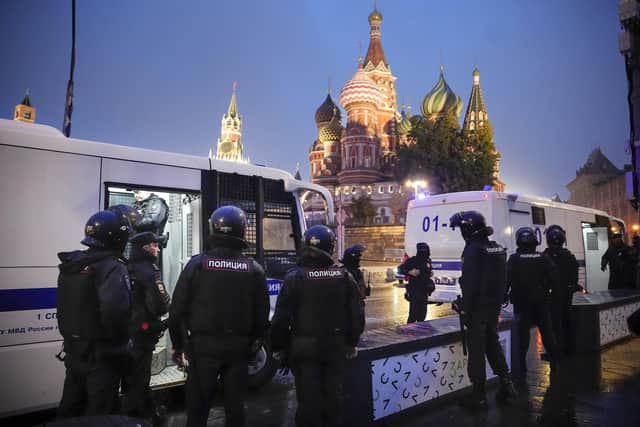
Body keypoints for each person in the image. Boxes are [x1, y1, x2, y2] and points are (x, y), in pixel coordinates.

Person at [169, 205, 270, 427]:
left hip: (202, 348)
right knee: (235, 408)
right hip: (238, 349)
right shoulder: (254, 269)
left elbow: (176, 311)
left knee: (198, 409)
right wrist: (252, 345)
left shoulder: (197, 264)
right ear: (242, 231)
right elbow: (262, 318)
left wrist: (178, 345)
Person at [270, 225, 364, 427]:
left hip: (304, 350)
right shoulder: (344, 277)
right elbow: (356, 315)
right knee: (333, 398)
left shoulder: (294, 278)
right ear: (330, 248)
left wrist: (278, 347)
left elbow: (280, 319)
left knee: (307, 401)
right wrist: (352, 343)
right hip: (335, 348)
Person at [56, 210, 133, 418]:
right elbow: (115, 311)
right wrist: (121, 346)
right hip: (103, 356)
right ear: (118, 238)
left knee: (71, 408)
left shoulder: (72, 264)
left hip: (74, 350)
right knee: (100, 413)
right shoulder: (113, 267)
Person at [449, 211, 517, 410]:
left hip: (477, 309)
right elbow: (501, 280)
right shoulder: (495, 248)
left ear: (468, 229)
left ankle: (478, 396)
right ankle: (507, 385)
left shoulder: (472, 250)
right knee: (492, 344)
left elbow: (471, 284)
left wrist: (463, 306)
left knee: (477, 350)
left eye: (462, 229)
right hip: (492, 306)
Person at [121, 232, 171, 424]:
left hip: (128, 330)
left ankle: (137, 410)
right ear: (145, 248)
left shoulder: (126, 266)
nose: (158, 249)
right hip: (144, 329)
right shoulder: (150, 270)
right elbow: (160, 304)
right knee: (141, 375)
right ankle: (141, 416)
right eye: (155, 245)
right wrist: (168, 302)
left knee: (130, 375)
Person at [506, 226, 560, 376]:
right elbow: (554, 278)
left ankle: (521, 366)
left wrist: (503, 294)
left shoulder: (514, 259)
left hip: (522, 303)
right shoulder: (543, 258)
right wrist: (546, 290)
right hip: (541, 302)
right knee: (547, 333)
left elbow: (506, 279)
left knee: (522, 335)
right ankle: (555, 363)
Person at [543, 225, 580, 355]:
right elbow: (575, 277)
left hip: (552, 295)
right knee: (567, 320)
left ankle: (556, 350)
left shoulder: (545, 256)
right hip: (567, 294)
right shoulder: (569, 255)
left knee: (553, 323)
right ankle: (569, 348)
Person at [396, 242, 434, 323]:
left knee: (422, 315)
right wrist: (410, 272)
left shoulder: (428, 261)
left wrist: (429, 273)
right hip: (415, 291)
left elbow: (427, 271)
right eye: (424, 251)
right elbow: (400, 269)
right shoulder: (413, 261)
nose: (426, 254)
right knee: (413, 315)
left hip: (424, 291)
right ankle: (410, 333)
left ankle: (421, 333)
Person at [340, 244, 369, 327]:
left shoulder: (357, 272)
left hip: (358, 308)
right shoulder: (343, 272)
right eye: (357, 257)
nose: (359, 260)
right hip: (348, 310)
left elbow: (362, 292)